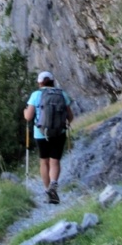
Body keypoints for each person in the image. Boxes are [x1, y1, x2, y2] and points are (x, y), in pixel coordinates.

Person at [24, 71, 74, 204]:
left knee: (44, 161)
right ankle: (54, 184)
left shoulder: (36, 95)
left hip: (41, 133)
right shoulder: (62, 94)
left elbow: (28, 117)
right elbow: (70, 116)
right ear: (53, 81)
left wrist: (24, 112)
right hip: (59, 132)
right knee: (55, 161)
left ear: (40, 83)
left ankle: (48, 190)